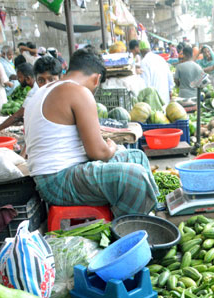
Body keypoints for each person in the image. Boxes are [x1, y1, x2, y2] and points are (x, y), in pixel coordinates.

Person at [24, 49, 159, 217]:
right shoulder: (78, 92)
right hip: (57, 182)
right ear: (97, 79)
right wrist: (110, 148)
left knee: (137, 156)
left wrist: (110, 149)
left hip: (57, 176)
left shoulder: (45, 91)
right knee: (133, 177)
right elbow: (98, 152)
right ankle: (126, 229)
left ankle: (149, 212)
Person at [0, 57, 62, 136]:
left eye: (51, 79)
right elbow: (20, 115)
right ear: (37, 80)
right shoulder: (36, 92)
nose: (46, 84)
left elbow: (18, 115)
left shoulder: (66, 96)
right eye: (41, 80)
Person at [139, 40, 174, 104]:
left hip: (154, 101)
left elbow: (146, 84)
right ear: (149, 49)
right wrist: (170, 90)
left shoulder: (144, 62)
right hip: (165, 98)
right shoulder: (161, 59)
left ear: (141, 51)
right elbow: (170, 78)